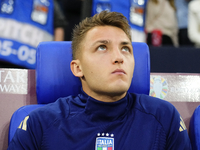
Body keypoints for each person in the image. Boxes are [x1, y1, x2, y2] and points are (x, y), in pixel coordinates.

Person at [8, 11, 191, 149]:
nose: (119, 57)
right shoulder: (39, 123)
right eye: (102, 47)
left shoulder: (164, 117)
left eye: (126, 49)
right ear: (77, 68)